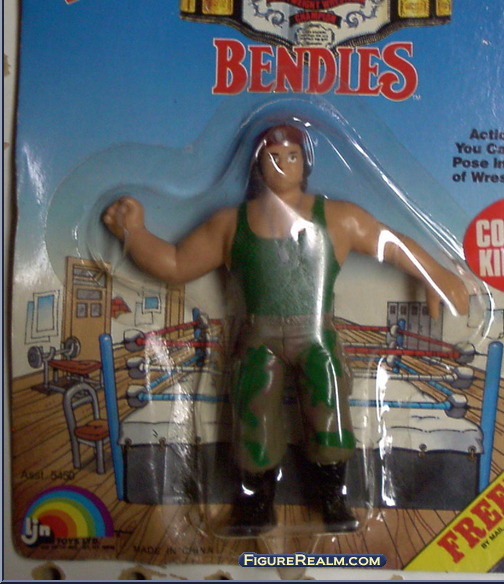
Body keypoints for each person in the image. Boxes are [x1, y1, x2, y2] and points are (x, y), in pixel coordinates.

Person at [103, 123, 469, 535]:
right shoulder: (231, 223)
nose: (282, 164)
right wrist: (134, 234)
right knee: (253, 415)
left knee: (328, 411)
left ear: (304, 162)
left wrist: (435, 273)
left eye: (291, 155)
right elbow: (175, 263)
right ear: (257, 164)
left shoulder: (338, 217)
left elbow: (392, 244)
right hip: (257, 337)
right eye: (272, 156)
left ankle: (332, 497)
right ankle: (255, 504)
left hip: (316, 336)